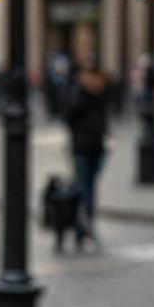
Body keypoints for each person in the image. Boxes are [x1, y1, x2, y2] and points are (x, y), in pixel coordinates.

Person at [64, 54, 110, 251]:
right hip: (82, 147)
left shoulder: (100, 95)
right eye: (92, 76)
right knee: (82, 190)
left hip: (97, 147)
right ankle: (83, 230)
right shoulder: (78, 94)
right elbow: (68, 116)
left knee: (90, 189)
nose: (96, 80)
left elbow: (103, 120)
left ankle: (85, 228)